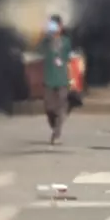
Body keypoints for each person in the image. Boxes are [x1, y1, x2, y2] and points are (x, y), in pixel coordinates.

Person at [38, 15, 72, 144]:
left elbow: (68, 56)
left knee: (61, 106)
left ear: (60, 27)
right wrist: (44, 36)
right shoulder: (46, 42)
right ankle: (54, 125)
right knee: (49, 107)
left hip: (62, 78)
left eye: (55, 25)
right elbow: (39, 50)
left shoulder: (66, 41)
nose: (53, 28)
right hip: (49, 78)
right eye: (51, 25)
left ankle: (57, 131)